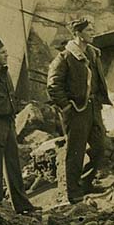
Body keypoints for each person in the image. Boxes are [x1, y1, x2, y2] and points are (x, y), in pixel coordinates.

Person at [47, 17, 110, 204]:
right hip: (75, 111)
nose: (93, 32)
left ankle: (87, 182)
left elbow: (97, 80)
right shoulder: (64, 58)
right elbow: (53, 85)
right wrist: (66, 106)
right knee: (75, 152)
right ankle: (73, 192)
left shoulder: (93, 53)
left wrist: (98, 100)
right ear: (78, 34)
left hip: (93, 108)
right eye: (89, 30)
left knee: (100, 147)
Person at [0, 38, 39, 214]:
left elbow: (11, 97)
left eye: (6, 52)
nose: (7, 55)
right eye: (3, 53)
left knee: (13, 165)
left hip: (9, 123)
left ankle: (22, 206)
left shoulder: (5, 73)